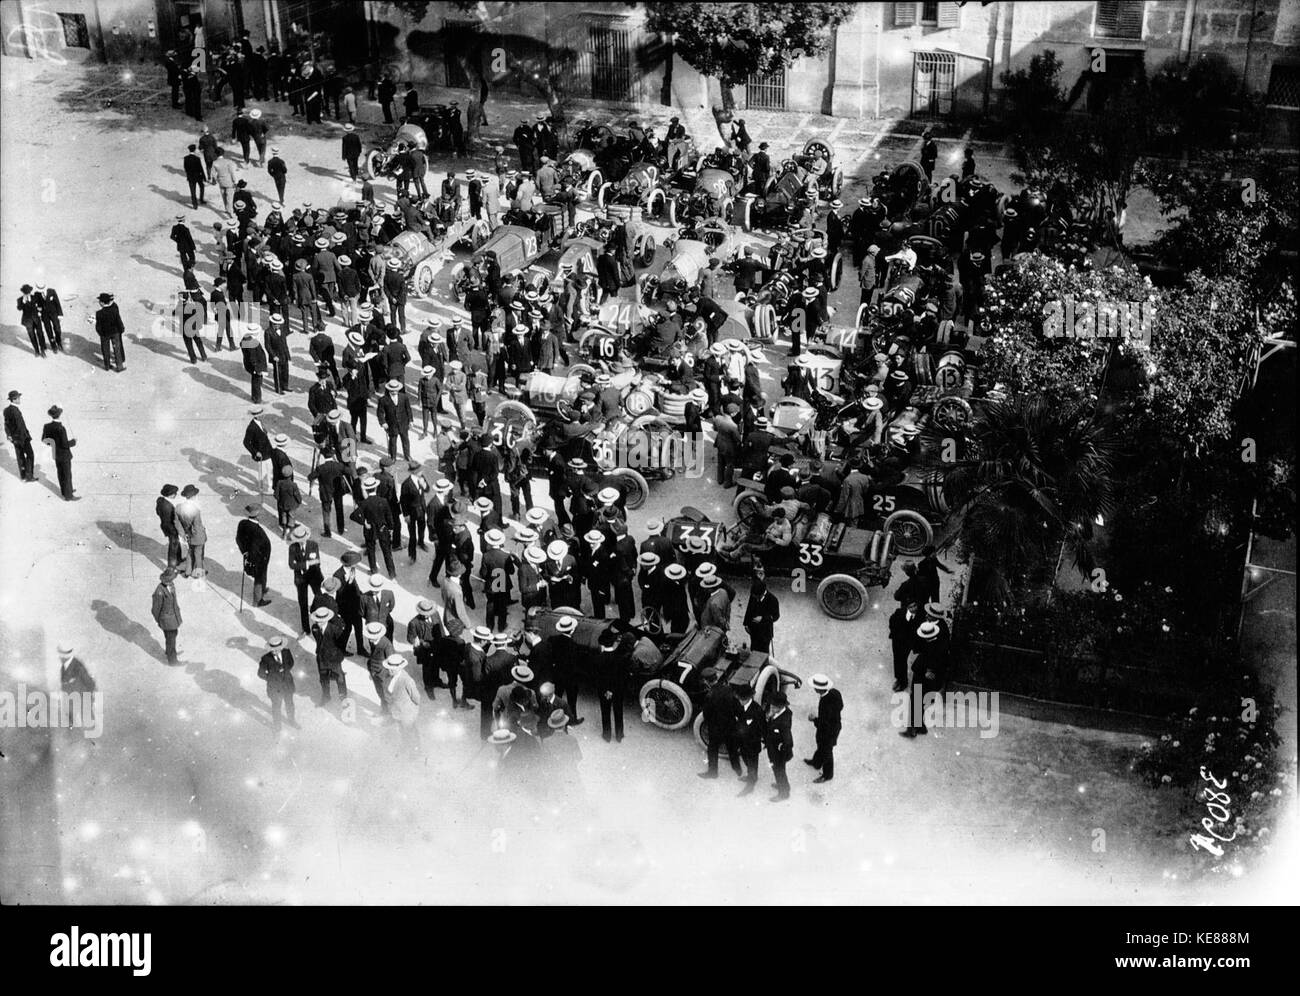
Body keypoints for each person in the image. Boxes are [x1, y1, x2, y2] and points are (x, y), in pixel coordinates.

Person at [699, 680, 743, 780]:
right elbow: (738, 709)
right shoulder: (729, 690)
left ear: (708, 682)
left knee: (712, 749)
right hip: (730, 725)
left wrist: (709, 723)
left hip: (716, 727)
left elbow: (706, 713)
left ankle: (713, 772)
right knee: (732, 747)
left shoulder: (709, 695)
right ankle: (737, 768)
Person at [805, 673, 843, 783]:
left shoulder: (825, 702)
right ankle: (816, 762)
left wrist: (814, 719)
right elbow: (840, 706)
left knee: (826, 751)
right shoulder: (835, 692)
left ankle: (827, 775)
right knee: (822, 747)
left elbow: (824, 723)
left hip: (827, 731)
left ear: (818, 689)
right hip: (835, 726)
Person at [287, 523, 323, 633]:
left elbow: (317, 562)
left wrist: (300, 564)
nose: (301, 542)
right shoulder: (293, 547)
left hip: (314, 575)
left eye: (303, 539)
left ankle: (320, 622)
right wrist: (307, 563)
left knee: (319, 598)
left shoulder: (313, 545)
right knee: (303, 603)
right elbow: (291, 565)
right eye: (299, 540)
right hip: (300, 578)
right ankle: (306, 629)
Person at [259, 635, 297, 736]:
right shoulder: (265, 659)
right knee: (276, 707)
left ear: (281, 647)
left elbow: (291, 663)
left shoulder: (286, 652)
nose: (274, 652)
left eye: (277, 650)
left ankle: (292, 721)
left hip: (287, 684)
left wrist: (285, 670)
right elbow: (260, 673)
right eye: (272, 650)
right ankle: (277, 727)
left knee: (290, 704)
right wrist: (271, 678)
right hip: (275, 688)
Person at [236, 504, 273, 607]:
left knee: (262, 575)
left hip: (252, 555)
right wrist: (254, 559)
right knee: (259, 577)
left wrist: (244, 552)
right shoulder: (256, 530)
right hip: (259, 558)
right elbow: (254, 547)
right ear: (257, 516)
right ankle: (257, 600)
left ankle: (262, 589)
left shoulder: (242, 523)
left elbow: (238, 539)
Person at [311, 606, 350, 704]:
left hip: (333, 658)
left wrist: (338, 658)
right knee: (323, 678)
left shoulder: (335, 630)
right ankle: (326, 696)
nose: (317, 623)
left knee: (339, 677)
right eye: (316, 620)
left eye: (320, 621)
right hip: (321, 657)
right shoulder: (314, 628)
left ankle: (343, 697)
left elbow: (341, 646)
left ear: (326, 620)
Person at [384, 655, 423, 751]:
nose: (390, 670)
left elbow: (416, 698)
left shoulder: (407, 680)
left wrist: (410, 710)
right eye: (389, 668)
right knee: (402, 731)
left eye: (393, 669)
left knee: (411, 732)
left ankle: (415, 751)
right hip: (397, 712)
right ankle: (406, 746)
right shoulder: (389, 677)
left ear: (399, 668)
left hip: (407, 714)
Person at [595, 630, 627, 743]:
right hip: (617, 690)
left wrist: (606, 690)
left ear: (602, 644)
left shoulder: (599, 658)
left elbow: (598, 677)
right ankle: (619, 735)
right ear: (613, 642)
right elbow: (621, 677)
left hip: (603, 690)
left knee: (605, 711)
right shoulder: (620, 658)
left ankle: (607, 735)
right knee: (618, 711)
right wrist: (612, 690)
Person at [40, 405, 77, 501]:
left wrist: (53, 444)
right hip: (64, 454)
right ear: (59, 415)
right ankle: (69, 496)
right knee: (67, 474)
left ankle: (66, 491)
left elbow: (44, 439)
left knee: (61, 473)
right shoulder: (61, 428)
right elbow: (65, 444)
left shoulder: (47, 426)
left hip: (56, 453)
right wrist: (73, 442)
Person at [735, 683, 765, 795]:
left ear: (749, 698)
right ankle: (751, 776)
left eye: (742, 699)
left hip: (752, 744)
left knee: (752, 764)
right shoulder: (740, 705)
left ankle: (750, 785)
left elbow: (763, 728)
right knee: (746, 760)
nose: (740, 701)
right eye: (739, 698)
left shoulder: (758, 711)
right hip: (742, 742)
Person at [742, 564, 780, 654]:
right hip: (754, 631)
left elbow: (776, 616)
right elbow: (749, 609)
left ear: (762, 594)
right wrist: (746, 623)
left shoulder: (773, 600)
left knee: (763, 653)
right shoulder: (754, 596)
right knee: (753, 650)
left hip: (765, 633)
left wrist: (763, 618)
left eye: (756, 597)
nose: (755, 598)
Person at [765, 690, 794, 801]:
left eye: (774, 706)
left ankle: (784, 793)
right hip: (774, 749)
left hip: (779, 754)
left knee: (779, 771)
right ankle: (782, 785)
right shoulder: (785, 712)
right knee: (778, 770)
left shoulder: (784, 723)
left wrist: (781, 754)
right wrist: (771, 716)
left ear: (781, 706)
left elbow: (789, 742)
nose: (771, 708)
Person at [151, 568, 183, 666]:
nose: (172, 581)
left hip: (173, 618)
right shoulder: (159, 591)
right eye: (170, 579)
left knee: (172, 635)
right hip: (167, 620)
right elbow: (155, 609)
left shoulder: (171, 585)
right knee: (171, 638)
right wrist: (160, 620)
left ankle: (169, 652)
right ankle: (173, 661)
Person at [176, 484, 207, 577]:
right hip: (197, 536)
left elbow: (177, 523)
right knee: (198, 554)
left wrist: (183, 534)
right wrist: (203, 535)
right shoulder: (195, 509)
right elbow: (197, 526)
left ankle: (188, 571)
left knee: (190, 552)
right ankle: (198, 573)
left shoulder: (178, 507)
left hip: (187, 535)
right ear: (193, 496)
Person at [4, 390, 36, 483]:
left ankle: (23, 476)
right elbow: (20, 426)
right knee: (30, 454)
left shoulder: (6, 410)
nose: (19, 399)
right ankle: (29, 476)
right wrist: (25, 437)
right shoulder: (15, 411)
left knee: (20, 456)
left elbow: (6, 424)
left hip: (14, 438)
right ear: (14, 399)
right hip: (22, 437)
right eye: (18, 398)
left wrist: (9, 435)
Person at [93, 292, 126, 371]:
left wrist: (101, 334)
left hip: (104, 335)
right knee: (117, 349)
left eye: (99, 301)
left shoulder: (99, 313)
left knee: (105, 350)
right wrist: (121, 329)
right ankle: (120, 367)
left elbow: (98, 327)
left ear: (102, 303)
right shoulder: (114, 310)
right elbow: (118, 321)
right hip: (115, 333)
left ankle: (107, 366)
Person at [156, 484, 182, 569]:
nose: (175, 494)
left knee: (176, 542)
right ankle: (172, 566)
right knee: (173, 546)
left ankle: (179, 559)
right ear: (170, 495)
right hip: (170, 528)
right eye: (174, 493)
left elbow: (158, 512)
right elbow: (171, 519)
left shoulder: (160, 501)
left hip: (165, 526)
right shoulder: (167, 506)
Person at [183, 144, 207, 208]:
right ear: (194, 150)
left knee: (192, 190)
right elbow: (200, 168)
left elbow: (185, 168)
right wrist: (204, 177)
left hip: (190, 176)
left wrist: (188, 174)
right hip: (198, 176)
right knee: (202, 187)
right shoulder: (197, 158)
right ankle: (201, 199)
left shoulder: (186, 158)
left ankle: (194, 204)